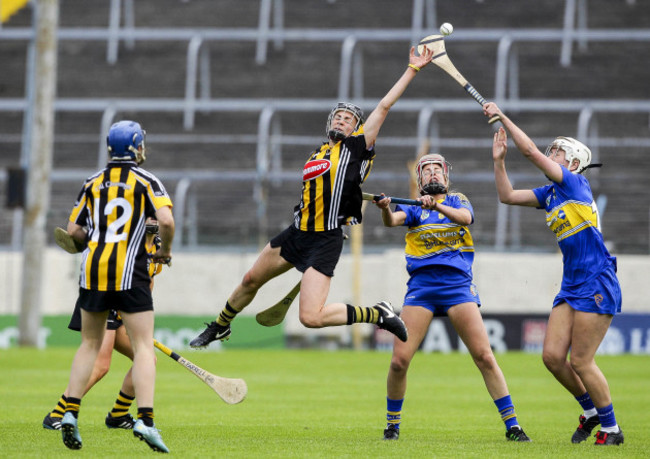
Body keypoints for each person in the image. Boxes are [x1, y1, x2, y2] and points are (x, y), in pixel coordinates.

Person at [189, 46, 435, 349]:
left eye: (348, 119)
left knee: (311, 318)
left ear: (358, 129)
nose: (342, 121)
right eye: (338, 117)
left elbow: (384, 106)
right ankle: (220, 326)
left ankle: (377, 313)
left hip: (324, 240)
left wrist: (413, 68)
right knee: (251, 279)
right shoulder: (318, 153)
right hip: (297, 232)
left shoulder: (356, 148)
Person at [484, 102, 624, 446]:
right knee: (551, 357)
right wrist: (499, 162)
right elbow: (506, 196)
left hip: (597, 278)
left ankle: (612, 429)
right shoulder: (550, 194)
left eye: (559, 153)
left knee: (581, 360)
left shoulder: (575, 183)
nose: (552, 154)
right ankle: (591, 412)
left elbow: (529, 151)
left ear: (575, 163)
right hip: (572, 283)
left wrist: (503, 117)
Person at [372, 153, 531, 442]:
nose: (433, 174)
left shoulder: (457, 200)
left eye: (437, 170)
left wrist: (440, 206)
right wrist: (384, 208)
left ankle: (513, 426)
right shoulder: (413, 207)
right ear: (419, 180)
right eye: (427, 171)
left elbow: (466, 219)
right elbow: (390, 221)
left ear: (446, 177)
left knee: (483, 356)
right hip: (422, 288)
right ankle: (392, 425)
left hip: (457, 286)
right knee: (398, 362)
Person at [59, 120, 175, 453]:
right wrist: (165, 251)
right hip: (130, 272)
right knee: (142, 348)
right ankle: (146, 420)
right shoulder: (146, 180)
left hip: (92, 270)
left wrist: (90, 239)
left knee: (89, 346)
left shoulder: (92, 182)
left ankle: (70, 412)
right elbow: (165, 221)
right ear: (138, 147)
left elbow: (73, 231)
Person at [43, 219, 164, 431]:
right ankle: (57, 414)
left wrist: (136, 315)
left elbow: (149, 282)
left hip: (125, 307)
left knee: (146, 360)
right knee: (100, 365)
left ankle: (118, 414)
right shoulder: (121, 242)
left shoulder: (158, 248)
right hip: (103, 301)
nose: (152, 219)